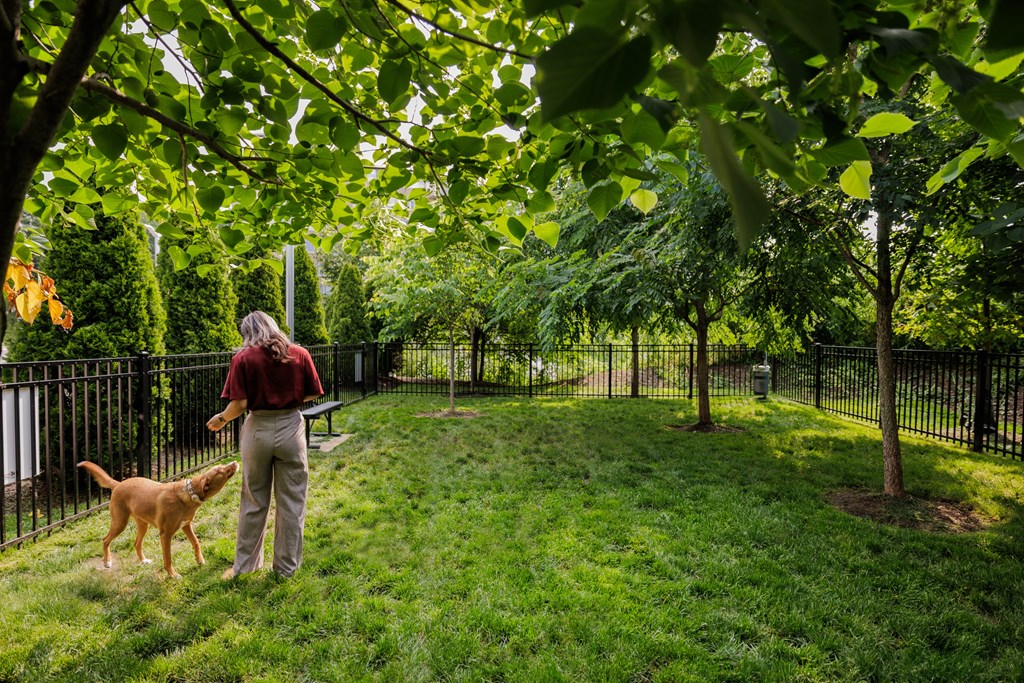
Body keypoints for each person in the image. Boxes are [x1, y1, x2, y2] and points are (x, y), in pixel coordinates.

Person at [207, 310, 323, 579]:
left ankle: (245, 567)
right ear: (272, 326)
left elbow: (241, 404)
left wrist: (222, 419)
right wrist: (290, 400)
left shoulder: (243, 358)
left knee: (253, 499)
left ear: (248, 332)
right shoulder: (299, 354)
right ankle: (286, 569)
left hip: (258, 428)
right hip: (291, 429)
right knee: (292, 501)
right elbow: (314, 391)